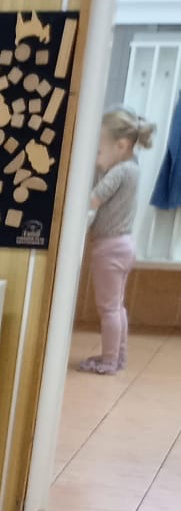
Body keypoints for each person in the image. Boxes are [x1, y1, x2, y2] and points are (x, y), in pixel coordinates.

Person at [80, 107, 156, 375]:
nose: (97, 157)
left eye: (99, 151)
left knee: (108, 309)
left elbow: (93, 199)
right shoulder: (132, 168)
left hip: (109, 248)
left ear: (121, 146)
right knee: (117, 306)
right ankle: (118, 356)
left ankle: (109, 360)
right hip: (123, 245)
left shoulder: (120, 171)